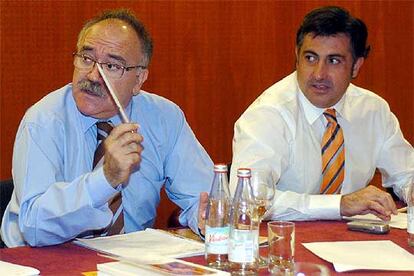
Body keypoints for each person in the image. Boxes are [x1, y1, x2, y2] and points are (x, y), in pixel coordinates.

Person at [1, 9, 213, 247]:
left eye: (111, 66)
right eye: (87, 58)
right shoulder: (43, 120)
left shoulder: (164, 118)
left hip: (131, 261)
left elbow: (202, 197)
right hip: (43, 260)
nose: (93, 75)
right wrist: (106, 178)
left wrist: (206, 217)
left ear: (139, 79)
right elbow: (34, 227)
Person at [230, 6, 414, 221]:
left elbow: (406, 173)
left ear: (356, 66)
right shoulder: (268, 114)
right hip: (284, 243)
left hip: (357, 242)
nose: (319, 74)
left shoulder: (373, 110)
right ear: (296, 57)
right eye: (310, 58)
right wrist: (339, 205)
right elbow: (247, 200)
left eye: (334, 61)